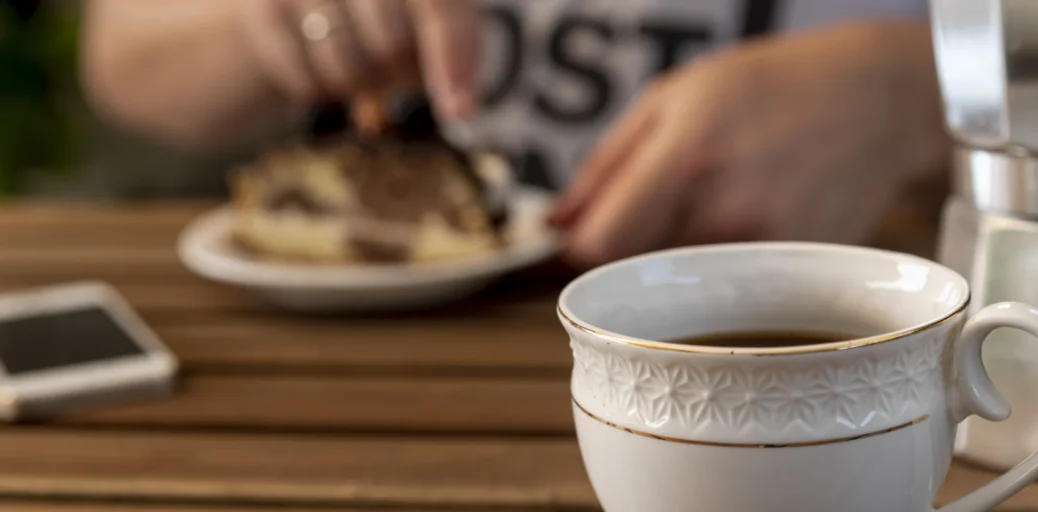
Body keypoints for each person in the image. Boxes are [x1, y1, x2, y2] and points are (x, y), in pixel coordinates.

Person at [81, 0, 948, 265]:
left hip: (823, 358)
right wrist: (260, 24)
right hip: (399, 386)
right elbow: (121, 56)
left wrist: (920, 87)